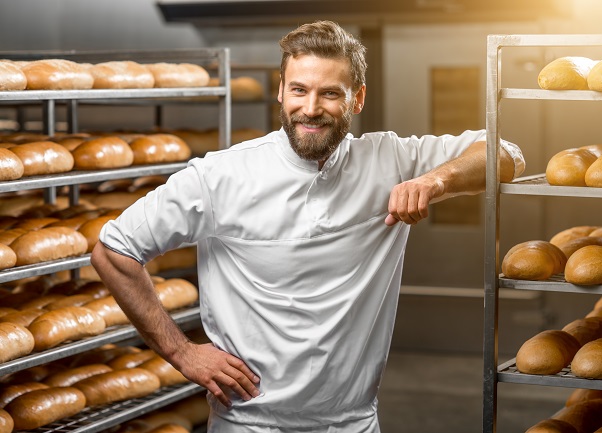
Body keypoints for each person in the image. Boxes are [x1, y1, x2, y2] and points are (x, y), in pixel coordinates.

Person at [91, 20, 525, 433]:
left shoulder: (389, 159)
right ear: (280, 91)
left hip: (352, 422)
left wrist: (434, 180)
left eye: (330, 93)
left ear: (357, 99)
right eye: (298, 89)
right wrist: (181, 352)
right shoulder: (220, 176)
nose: (311, 108)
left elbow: (508, 154)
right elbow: (113, 251)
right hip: (248, 423)